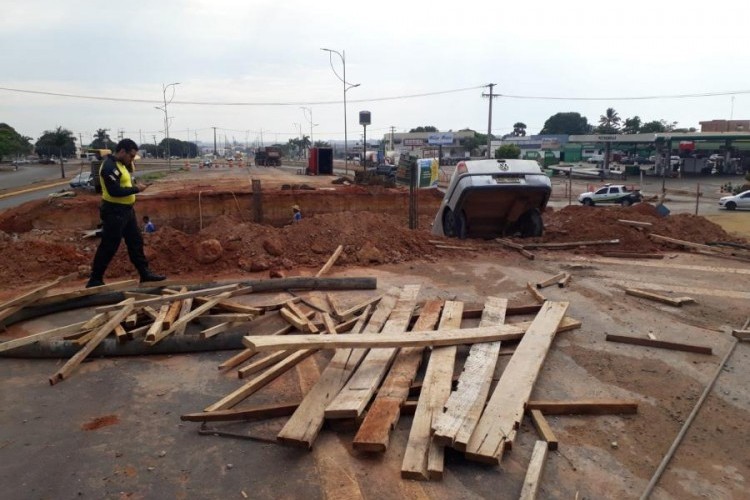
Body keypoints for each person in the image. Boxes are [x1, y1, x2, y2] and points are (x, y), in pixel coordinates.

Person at [86, 139, 166, 288]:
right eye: (131, 155)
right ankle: (95, 279)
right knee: (109, 245)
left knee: (135, 242)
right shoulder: (109, 167)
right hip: (114, 211)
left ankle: (144, 273)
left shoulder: (121, 165)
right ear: (122, 151)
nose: (131, 159)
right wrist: (137, 189)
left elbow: (124, 184)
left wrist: (135, 186)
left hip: (126, 211)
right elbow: (114, 191)